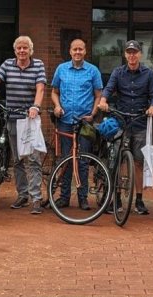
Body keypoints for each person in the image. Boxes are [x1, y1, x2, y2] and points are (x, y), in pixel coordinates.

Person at [0, 36, 47, 214]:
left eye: (25, 48)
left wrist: (36, 106)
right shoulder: (8, 64)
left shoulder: (38, 65)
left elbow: (40, 88)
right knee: (17, 159)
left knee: (32, 159)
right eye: (19, 48)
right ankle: (23, 195)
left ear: (30, 50)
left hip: (30, 118)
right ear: (15, 50)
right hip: (12, 117)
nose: (22, 51)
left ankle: (36, 199)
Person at [97, 40, 153, 215]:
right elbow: (108, 89)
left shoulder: (148, 74)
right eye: (129, 52)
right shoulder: (118, 72)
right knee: (116, 160)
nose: (132, 55)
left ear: (140, 54)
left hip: (139, 121)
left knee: (139, 163)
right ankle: (116, 198)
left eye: (135, 52)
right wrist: (103, 100)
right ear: (125, 55)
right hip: (121, 121)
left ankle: (139, 200)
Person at [50, 38, 103, 210]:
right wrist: (57, 106)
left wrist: (93, 114)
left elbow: (98, 95)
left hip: (84, 123)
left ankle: (83, 198)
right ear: (70, 51)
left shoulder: (93, 71)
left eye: (81, 49)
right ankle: (64, 197)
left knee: (82, 161)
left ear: (85, 51)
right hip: (65, 122)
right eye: (75, 49)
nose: (78, 52)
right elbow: (54, 92)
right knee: (65, 161)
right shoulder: (61, 69)